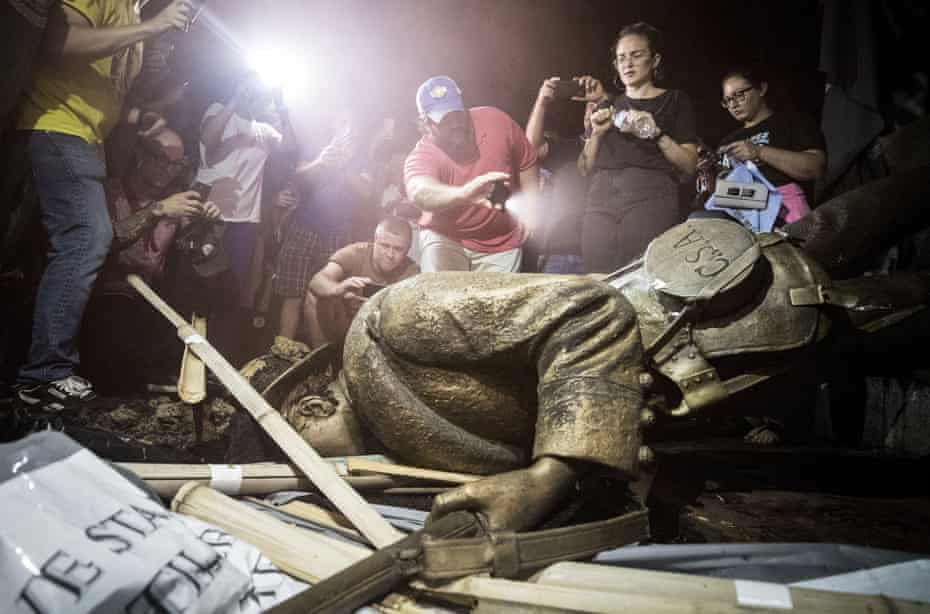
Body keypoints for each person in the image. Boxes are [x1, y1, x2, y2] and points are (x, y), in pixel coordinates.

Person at [14, 0, 196, 412]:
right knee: (88, 234)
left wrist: (139, 114)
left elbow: (102, 86)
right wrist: (150, 29)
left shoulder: (132, 14)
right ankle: (45, 374)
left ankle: (41, 375)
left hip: (86, 137)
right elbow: (61, 40)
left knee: (49, 252)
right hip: (57, 125)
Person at [82, 128, 220, 392]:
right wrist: (157, 210)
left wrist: (205, 227)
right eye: (161, 159)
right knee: (120, 316)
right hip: (105, 292)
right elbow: (104, 243)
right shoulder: (111, 191)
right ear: (141, 154)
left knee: (197, 289)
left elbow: (196, 254)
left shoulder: (176, 200)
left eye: (176, 164)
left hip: (149, 296)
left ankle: (168, 372)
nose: (168, 169)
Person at [577, 22, 699, 273]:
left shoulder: (675, 100)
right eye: (621, 58)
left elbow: (690, 164)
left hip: (650, 194)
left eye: (636, 55)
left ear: (655, 60)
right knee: (597, 279)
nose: (627, 64)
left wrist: (655, 134)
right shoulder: (607, 105)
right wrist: (596, 135)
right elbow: (583, 168)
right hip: (600, 197)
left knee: (638, 277)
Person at [405, 75, 540, 273]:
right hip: (445, 237)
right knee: (442, 299)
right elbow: (419, 192)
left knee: (499, 303)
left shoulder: (496, 121)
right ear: (425, 123)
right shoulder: (423, 154)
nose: (455, 124)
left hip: (500, 241)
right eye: (444, 119)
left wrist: (532, 207)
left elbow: (527, 161)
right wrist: (464, 193)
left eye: (457, 114)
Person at [276, 110, 374, 343]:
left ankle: (320, 361)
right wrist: (320, 162)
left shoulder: (361, 159)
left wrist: (345, 167)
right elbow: (297, 177)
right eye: (341, 122)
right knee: (291, 295)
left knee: (324, 297)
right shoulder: (317, 149)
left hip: (337, 234)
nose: (346, 129)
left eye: (350, 124)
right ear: (332, 124)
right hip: (303, 227)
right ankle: (281, 354)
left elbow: (368, 192)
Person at [717, 66, 827, 226]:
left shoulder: (793, 122)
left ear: (761, 89)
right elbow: (723, 193)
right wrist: (708, 173)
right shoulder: (727, 141)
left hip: (785, 211)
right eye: (727, 100)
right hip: (743, 215)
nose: (733, 104)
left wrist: (758, 151)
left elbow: (815, 167)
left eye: (739, 95)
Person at [304, 216, 418, 349]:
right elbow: (317, 281)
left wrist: (373, 309)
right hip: (343, 321)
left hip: (379, 332)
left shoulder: (412, 271)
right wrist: (339, 289)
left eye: (398, 249)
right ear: (375, 241)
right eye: (385, 245)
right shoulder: (356, 252)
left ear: (407, 249)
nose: (390, 254)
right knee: (315, 296)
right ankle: (322, 357)